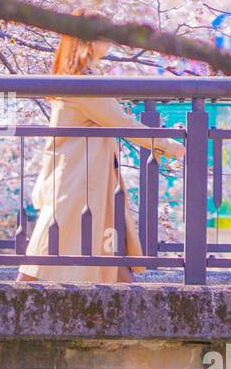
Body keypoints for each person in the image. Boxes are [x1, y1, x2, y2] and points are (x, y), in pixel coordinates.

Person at [18, 30, 182, 285]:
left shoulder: (74, 79)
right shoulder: (85, 83)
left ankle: (126, 311)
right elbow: (122, 122)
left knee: (88, 243)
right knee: (54, 246)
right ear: (88, 41)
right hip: (83, 180)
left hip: (81, 177)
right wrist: (167, 146)